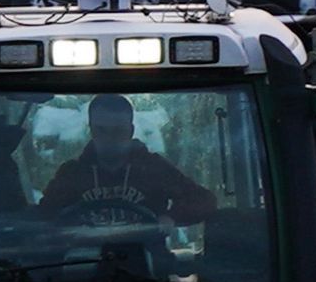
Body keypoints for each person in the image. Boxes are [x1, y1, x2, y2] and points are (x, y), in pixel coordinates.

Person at [45, 93, 220, 226]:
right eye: (101, 130)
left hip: (147, 266)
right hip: (83, 265)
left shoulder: (153, 169)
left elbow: (203, 200)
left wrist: (170, 218)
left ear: (130, 130)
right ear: (91, 130)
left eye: (118, 131)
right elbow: (44, 216)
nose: (109, 139)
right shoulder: (73, 174)